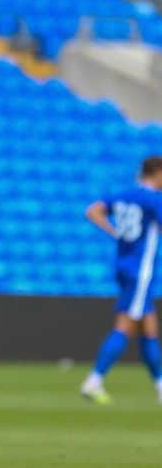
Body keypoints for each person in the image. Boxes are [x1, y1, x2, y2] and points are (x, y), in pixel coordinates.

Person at [80, 155, 162, 404]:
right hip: (141, 270)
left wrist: (114, 232)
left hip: (124, 266)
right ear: (157, 173)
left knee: (149, 327)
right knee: (125, 324)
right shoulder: (153, 200)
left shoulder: (124, 195)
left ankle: (160, 387)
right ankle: (93, 381)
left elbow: (92, 211)